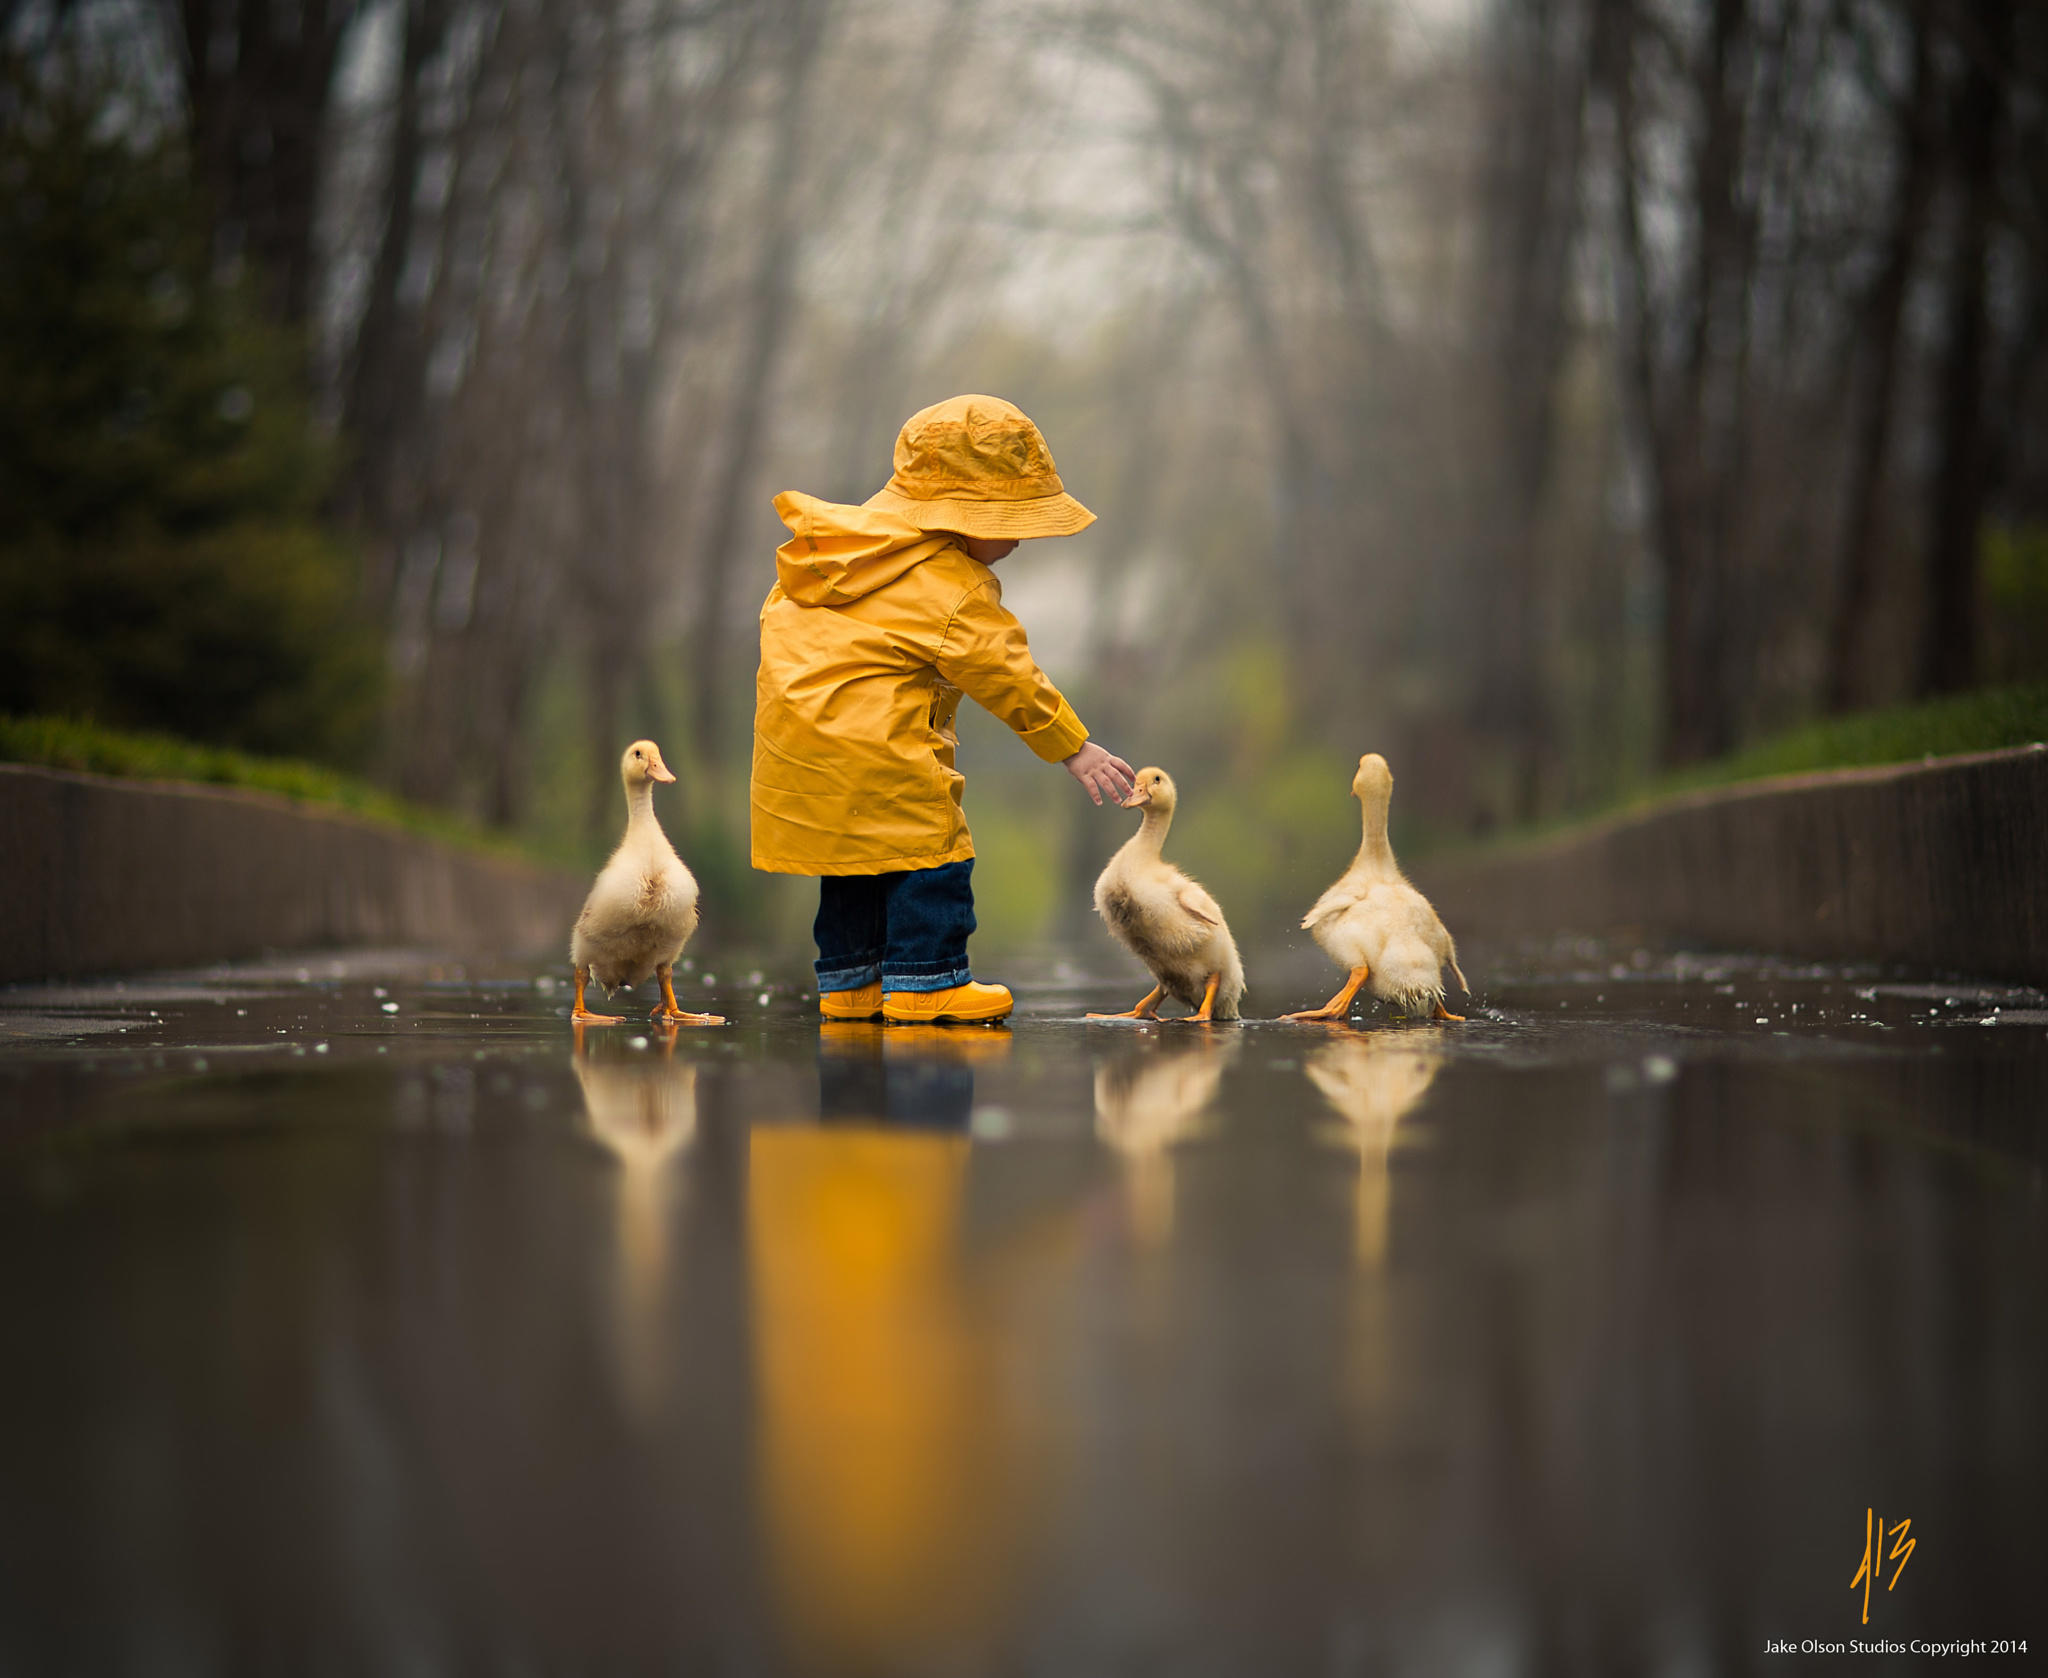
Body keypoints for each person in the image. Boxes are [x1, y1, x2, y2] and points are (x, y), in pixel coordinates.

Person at [751, 393, 1135, 1023]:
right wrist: (1072, 744)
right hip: (885, 756)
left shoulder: (823, 558)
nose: (1020, 539)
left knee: (853, 862)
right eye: (1012, 520)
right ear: (963, 517)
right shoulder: (949, 584)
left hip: (801, 762)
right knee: (935, 850)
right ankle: (931, 983)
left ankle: (850, 985)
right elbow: (1004, 671)